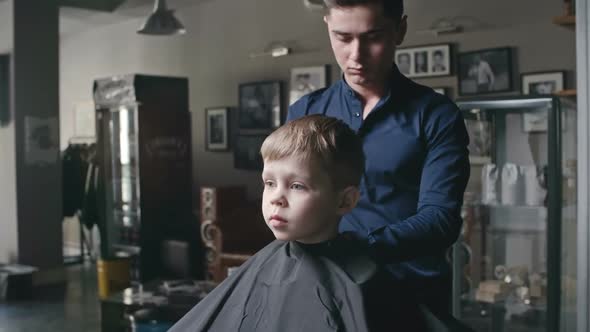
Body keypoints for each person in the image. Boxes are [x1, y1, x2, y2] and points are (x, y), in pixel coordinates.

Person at [169, 115, 457, 332]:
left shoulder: (365, 282)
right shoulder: (262, 265)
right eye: (269, 183)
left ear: (345, 201)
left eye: (296, 186)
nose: (276, 199)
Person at [288, 0, 471, 320]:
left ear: (399, 30)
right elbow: (289, 200)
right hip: (324, 295)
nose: (356, 55)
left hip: (413, 299)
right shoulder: (304, 112)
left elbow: (441, 219)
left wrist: (356, 248)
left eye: (372, 37)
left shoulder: (436, 116)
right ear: (327, 27)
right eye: (343, 38)